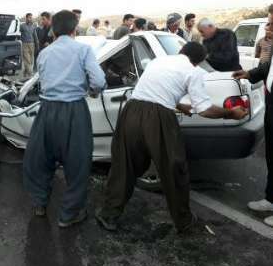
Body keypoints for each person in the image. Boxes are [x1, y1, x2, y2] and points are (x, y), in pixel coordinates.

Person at [95, 42, 248, 233]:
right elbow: (206, 110)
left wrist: (180, 104)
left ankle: (108, 214)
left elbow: (159, 88)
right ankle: (184, 221)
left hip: (132, 110)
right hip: (158, 118)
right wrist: (230, 113)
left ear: (181, 52)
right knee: (174, 168)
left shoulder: (157, 62)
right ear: (198, 62)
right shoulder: (194, 72)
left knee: (124, 166)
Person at [23, 10, 106, 227]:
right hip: (74, 110)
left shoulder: (44, 53)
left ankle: (40, 204)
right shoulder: (83, 49)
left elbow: (41, 79)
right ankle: (68, 215)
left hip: (46, 110)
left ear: (53, 29)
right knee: (77, 163)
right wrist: (93, 91)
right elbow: (98, 80)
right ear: (74, 29)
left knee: (41, 159)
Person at [233, 6, 273, 227]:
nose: (268, 28)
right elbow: (267, 67)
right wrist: (248, 73)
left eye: (272, 24)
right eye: (268, 23)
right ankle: (271, 199)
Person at [20, 13, 39, 78]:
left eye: (31, 17)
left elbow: (35, 36)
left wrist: (37, 44)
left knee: (31, 60)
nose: (30, 19)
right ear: (26, 18)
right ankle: (31, 74)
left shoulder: (33, 26)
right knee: (27, 59)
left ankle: (25, 75)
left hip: (32, 44)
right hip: (25, 44)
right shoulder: (22, 26)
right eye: (29, 17)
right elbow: (19, 34)